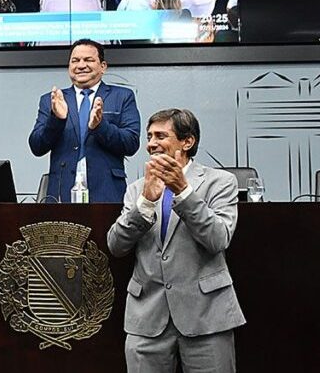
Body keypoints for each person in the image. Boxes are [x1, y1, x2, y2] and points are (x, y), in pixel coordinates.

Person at [107, 108, 245, 372]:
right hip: (146, 320)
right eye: (149, 136)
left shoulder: (220, 182)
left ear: (187, 141)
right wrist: (145, 203)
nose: (151, 144)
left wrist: (182, 191)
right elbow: (116, 245)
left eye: (161, 135)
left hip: (206, 316)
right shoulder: (137, 188)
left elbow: (217, 238)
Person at [28, 39, 140, 203]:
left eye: (88, 60)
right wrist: (56, 120)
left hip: (106, 194)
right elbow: (36, 146)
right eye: (75, 60)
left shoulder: (122, 96)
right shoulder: (52, 100)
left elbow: (131, 143)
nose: (81, 65)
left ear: (103, 66)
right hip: (61, 196)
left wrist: (100, 126)